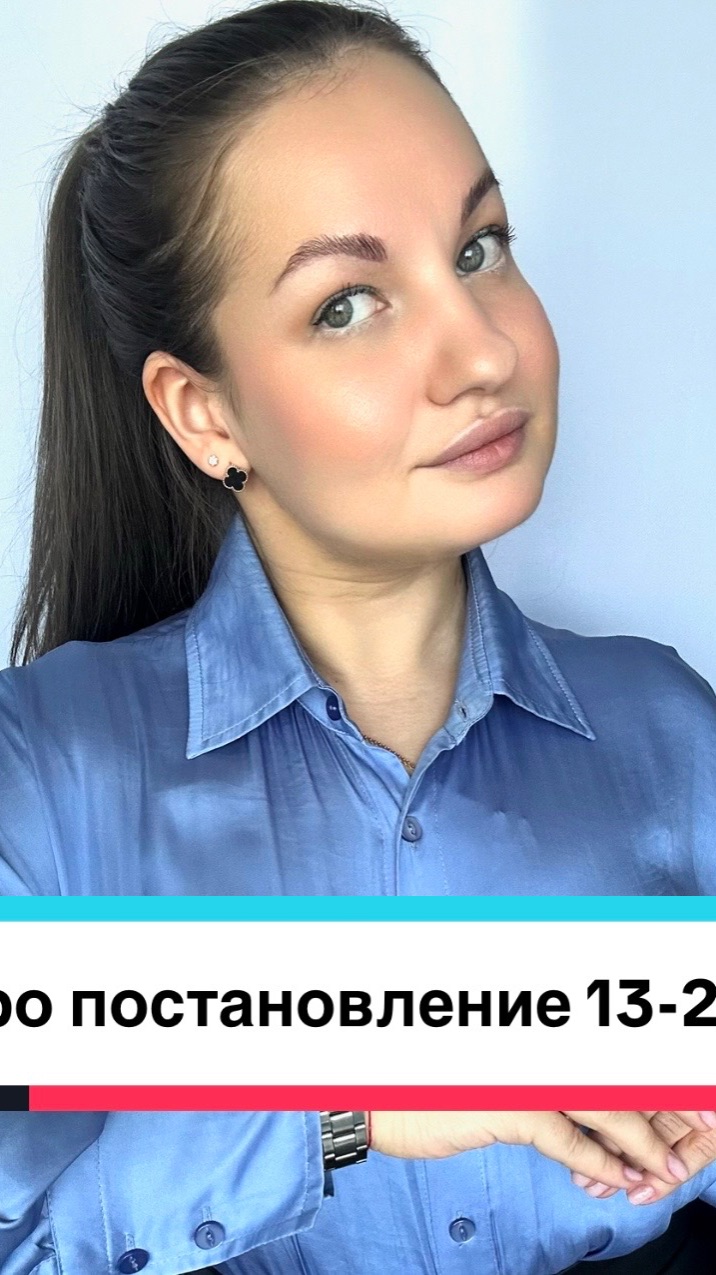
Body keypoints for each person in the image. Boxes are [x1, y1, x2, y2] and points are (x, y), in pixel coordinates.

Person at [1, 2, 715, 1273]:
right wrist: (349, 1102)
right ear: (204, 413)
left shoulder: (667, 731)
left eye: (479, 247)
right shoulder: (45, 780)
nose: (480, 352)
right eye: (346, 305)